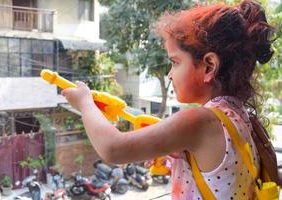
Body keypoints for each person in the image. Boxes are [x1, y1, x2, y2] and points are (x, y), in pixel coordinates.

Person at [61, 0, 275, 199]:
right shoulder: (239, 116)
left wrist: (85, 103)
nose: (170, 74)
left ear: (209, 66)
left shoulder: (200, 121)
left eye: (175, 62)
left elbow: (113, 148)